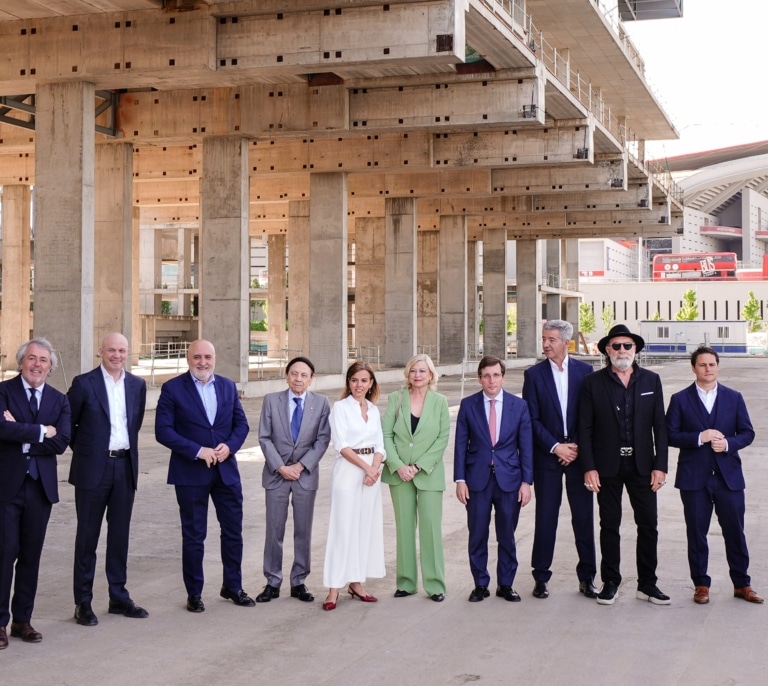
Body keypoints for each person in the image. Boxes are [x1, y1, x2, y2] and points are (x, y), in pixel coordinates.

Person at [155, 339, 253, 613]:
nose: (203, 361)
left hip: (226, 472)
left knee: (233, 532)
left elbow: (241, 425)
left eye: (208, 356)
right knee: (194, 536)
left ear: (215, 358)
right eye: (197, 356)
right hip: (190, 473)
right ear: (188, 358)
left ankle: (232, 586)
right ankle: (194, 593)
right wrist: (198, 451)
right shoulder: (173, 388)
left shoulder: (227, 386)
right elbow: (163, 431)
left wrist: (229, 447)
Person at [580, 324, 669, 606]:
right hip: (607, 467)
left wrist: (661, 465)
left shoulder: (651, 381)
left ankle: (647, 584)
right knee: (609, 525)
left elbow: (660, 428)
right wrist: (589, 467)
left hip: (643, 466)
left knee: (649, 525)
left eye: (627, 346)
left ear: (636, 350)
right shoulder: (592, 384)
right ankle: (611, 582)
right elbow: (585, 429)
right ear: (606, 350)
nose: (621, 351)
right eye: (616, 346)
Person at [666, 346, 762, 605]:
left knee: (735, 531)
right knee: (697, 533)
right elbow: (669, 435)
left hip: (728, 478)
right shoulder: (680, 399)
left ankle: (742, 584)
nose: (708, 369)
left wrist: (729, 444)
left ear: (718, 366)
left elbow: (747, 432)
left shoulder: (734, 397)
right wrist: (700, 437)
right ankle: (701, 585)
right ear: (693, 368)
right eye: (702, 365)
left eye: (712, 364)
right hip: (694, 479)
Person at [68, 333, 148, 627]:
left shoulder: (137, 385)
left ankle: (118, 596)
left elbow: (134, 424)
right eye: (111, 350)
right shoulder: (83, 383)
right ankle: (83, 602)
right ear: (100, 351)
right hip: (93, 469)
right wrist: (89, 453)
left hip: (124, 468)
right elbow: (69, 424)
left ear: (128, 353)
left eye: (122, 350)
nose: (117, 355)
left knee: (120, 536)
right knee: (87, 537)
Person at [0, 339, 71, 650]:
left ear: (50, 367)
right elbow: (0, 430)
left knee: (31, 556)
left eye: (43, 360)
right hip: (7, 487)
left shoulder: (59, 400)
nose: (37, 364)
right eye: (32, 358)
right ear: (21, 362)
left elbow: (62, 441)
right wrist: (42, 430)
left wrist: (21, 431)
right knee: (4, 555)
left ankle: (22, 621)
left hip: (41, 488)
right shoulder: (3, 391)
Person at [522, 320, 597, 600]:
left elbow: (588, 415)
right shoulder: (534, 375)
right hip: (547, 457)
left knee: (583, 519)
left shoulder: (585, 372)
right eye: (544, 338)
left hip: (579, 458)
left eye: (551, 339)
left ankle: (587, 577)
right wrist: (556, 447)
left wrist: (574, 447)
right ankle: (541, 577)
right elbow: (532, 419)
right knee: (546, 519)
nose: (545, 344)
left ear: (566, 342)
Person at [454, 355, 533, 603]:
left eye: (496, 375)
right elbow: (459, 445)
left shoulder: (518, 406)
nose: (491, 380)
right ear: (479, 378)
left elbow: (526, 447)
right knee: (477, 534)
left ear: (503, 377)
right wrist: (460, 480)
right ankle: (480, 584)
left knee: (507, 535)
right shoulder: (468, 405)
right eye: (486, 375)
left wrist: (526, 482)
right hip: (476, 480)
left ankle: (506, 584)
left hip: (510, 479)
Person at [256, 357, 331, 604]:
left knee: (303, 531)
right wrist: (280, 466)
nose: (299, 378)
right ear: (287, 375)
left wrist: (300, 466)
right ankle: (272, 582)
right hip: (276, 475)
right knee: (274, 531)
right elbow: (264, 437)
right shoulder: (271, 400)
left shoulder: (321, 403)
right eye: (294, 373)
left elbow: (322, 440)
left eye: (304, 375)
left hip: (304, 476)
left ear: (311, 379)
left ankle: (299, 581)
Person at [382, 354, 450, 602]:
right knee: (404, 528)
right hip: (399, 474)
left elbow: (442, 438)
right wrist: (398, 465)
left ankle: (435, 585)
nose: (418, 375)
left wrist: (419, 466)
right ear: (407, 374)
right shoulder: (395, 399)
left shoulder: (440, 402)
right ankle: (406, 582)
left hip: (428, 474)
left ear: (431, 375)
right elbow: (386, 435)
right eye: (413, 371)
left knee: (431, 528)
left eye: (422, 371)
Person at [322, 362, 386, 611]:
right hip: (350, 471)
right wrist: (367, 468)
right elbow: (342, 444)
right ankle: (333, 588)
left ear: (371, 384)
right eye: (354, 380)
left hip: (372, 472)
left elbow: (380, 445)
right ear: (348, 382)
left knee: (363, 528)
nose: (359, 385)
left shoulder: (373, 409)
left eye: (364, 380)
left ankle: (356, 583)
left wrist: (375, 468)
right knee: (343, 528)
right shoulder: (340, 408)